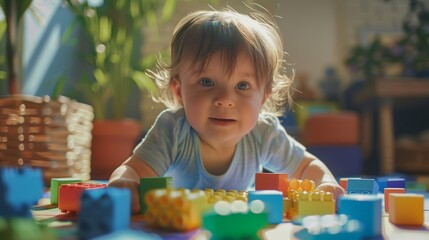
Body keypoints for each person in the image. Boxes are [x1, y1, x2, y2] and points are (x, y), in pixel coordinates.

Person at [108, 7, 346, 214]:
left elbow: (306, 167)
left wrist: (326, 183)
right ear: (179, 91)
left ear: (264, 96)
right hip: (182, 227)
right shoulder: (172, 130)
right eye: (207, 82)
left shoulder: (264, 133)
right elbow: (132, 169)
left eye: (242, 85)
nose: (224, 99)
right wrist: (124, 183)